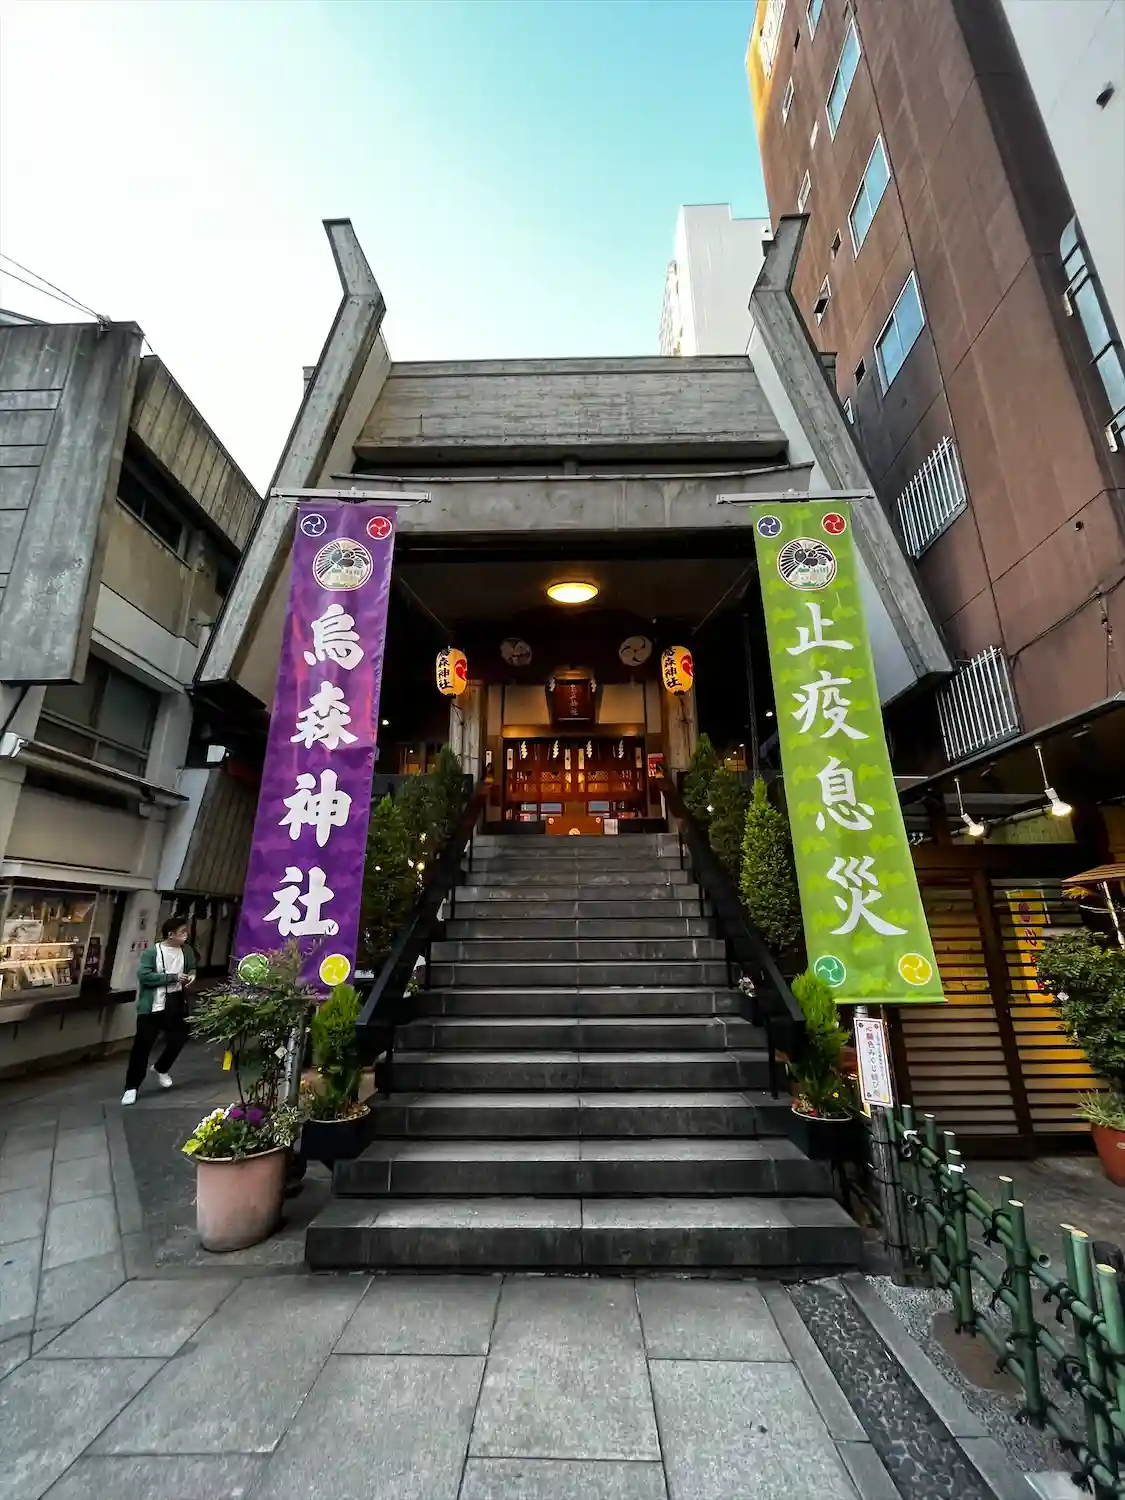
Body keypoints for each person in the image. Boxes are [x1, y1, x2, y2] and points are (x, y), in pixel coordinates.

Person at [121, 916, 197, 1106]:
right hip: (153, 1006)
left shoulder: (186, 950)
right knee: (142, 1047)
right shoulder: (152, 952)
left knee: (181, 1036)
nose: (186, 934)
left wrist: (191, 977)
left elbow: (192, 968)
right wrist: (172, 977)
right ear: (170, 934)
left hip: (176, 1002)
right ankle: (131, 1087)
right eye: (182, 932)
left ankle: (161, 1067)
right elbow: (144, 976)